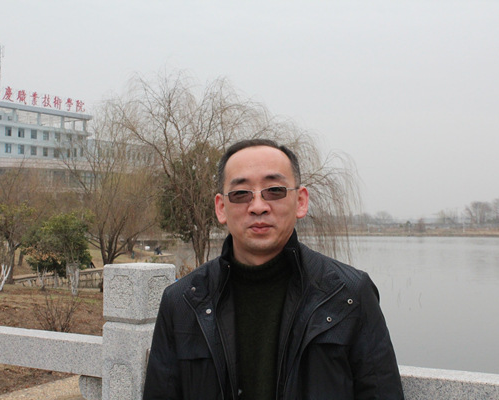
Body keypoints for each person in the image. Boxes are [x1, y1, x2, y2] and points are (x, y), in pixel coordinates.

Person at [143, 139, 404, 399]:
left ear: (301, 201)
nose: (258, 207)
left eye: (275, 190)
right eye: (241, 193)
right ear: (221, 208)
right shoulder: (182, 302)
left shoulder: (349, 295)